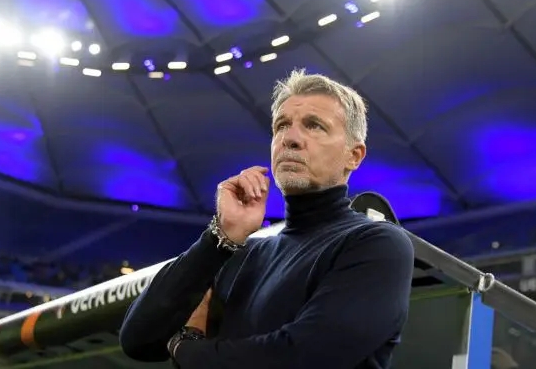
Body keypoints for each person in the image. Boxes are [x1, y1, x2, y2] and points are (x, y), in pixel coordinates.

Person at [119, 69, 415, 368]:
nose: (291, 138)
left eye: (314, 126)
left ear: (355, 156)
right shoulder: (242, 254)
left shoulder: (378, 244)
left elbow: (299, 358)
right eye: (282, 125)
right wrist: (220, 236)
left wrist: (186, 348)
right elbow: (138, 339)